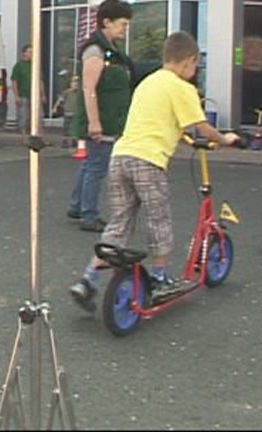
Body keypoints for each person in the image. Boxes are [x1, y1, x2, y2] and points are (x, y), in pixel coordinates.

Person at [69, 32, 240, 311]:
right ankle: (159, 279)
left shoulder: (148, 83)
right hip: (148, 161)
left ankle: (88, 280)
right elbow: (201, 127)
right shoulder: (182, 88)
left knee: (120, 222)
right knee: (159, 220)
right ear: (189, 61)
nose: (194, 71)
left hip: (121, 157)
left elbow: (165, 121)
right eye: (196, 66)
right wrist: (226, 139)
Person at [67, 0, 134, 233]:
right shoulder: (95, 51)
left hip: (106, 118)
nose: (125, 29)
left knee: (90, 165)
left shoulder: (112, 52)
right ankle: (89, 215)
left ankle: (77, 206)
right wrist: (95, 123)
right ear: (107, 22)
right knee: (96, 167)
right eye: (122, 24)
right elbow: (89, 88)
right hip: (101, 120)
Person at [10, 45, 45, 141]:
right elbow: (14, 81)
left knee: (39, 116)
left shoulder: (35, 65)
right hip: (23, 95)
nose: (31, 54)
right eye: (29, 52)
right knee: (23, 116)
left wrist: (43, 94)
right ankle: (24, 137)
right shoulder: (18, 66)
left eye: (33, 52)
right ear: (24, 53)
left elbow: (40, 80)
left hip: (35, 95)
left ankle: (39, 136)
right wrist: (16, 96)